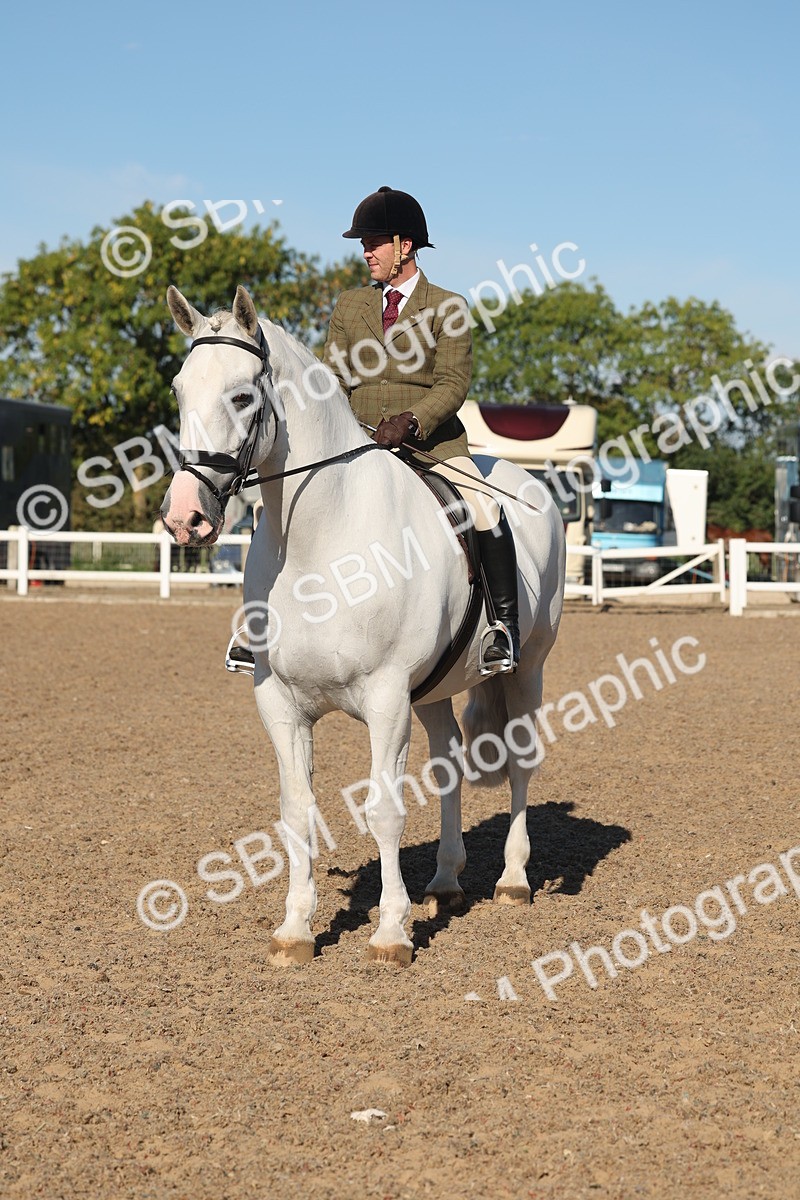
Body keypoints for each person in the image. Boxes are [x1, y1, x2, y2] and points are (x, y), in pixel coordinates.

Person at [322, 186, 520, 671]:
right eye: (362, 243)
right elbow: (332, 379)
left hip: (432, 445)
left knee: (485, 506)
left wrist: (411, 421)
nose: (365, 251)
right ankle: (257, 625)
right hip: (361, 444)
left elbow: (454, 384)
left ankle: (503, 630)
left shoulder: (448, 306)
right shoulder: (350, 306)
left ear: (404, 246)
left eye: (374, 242)